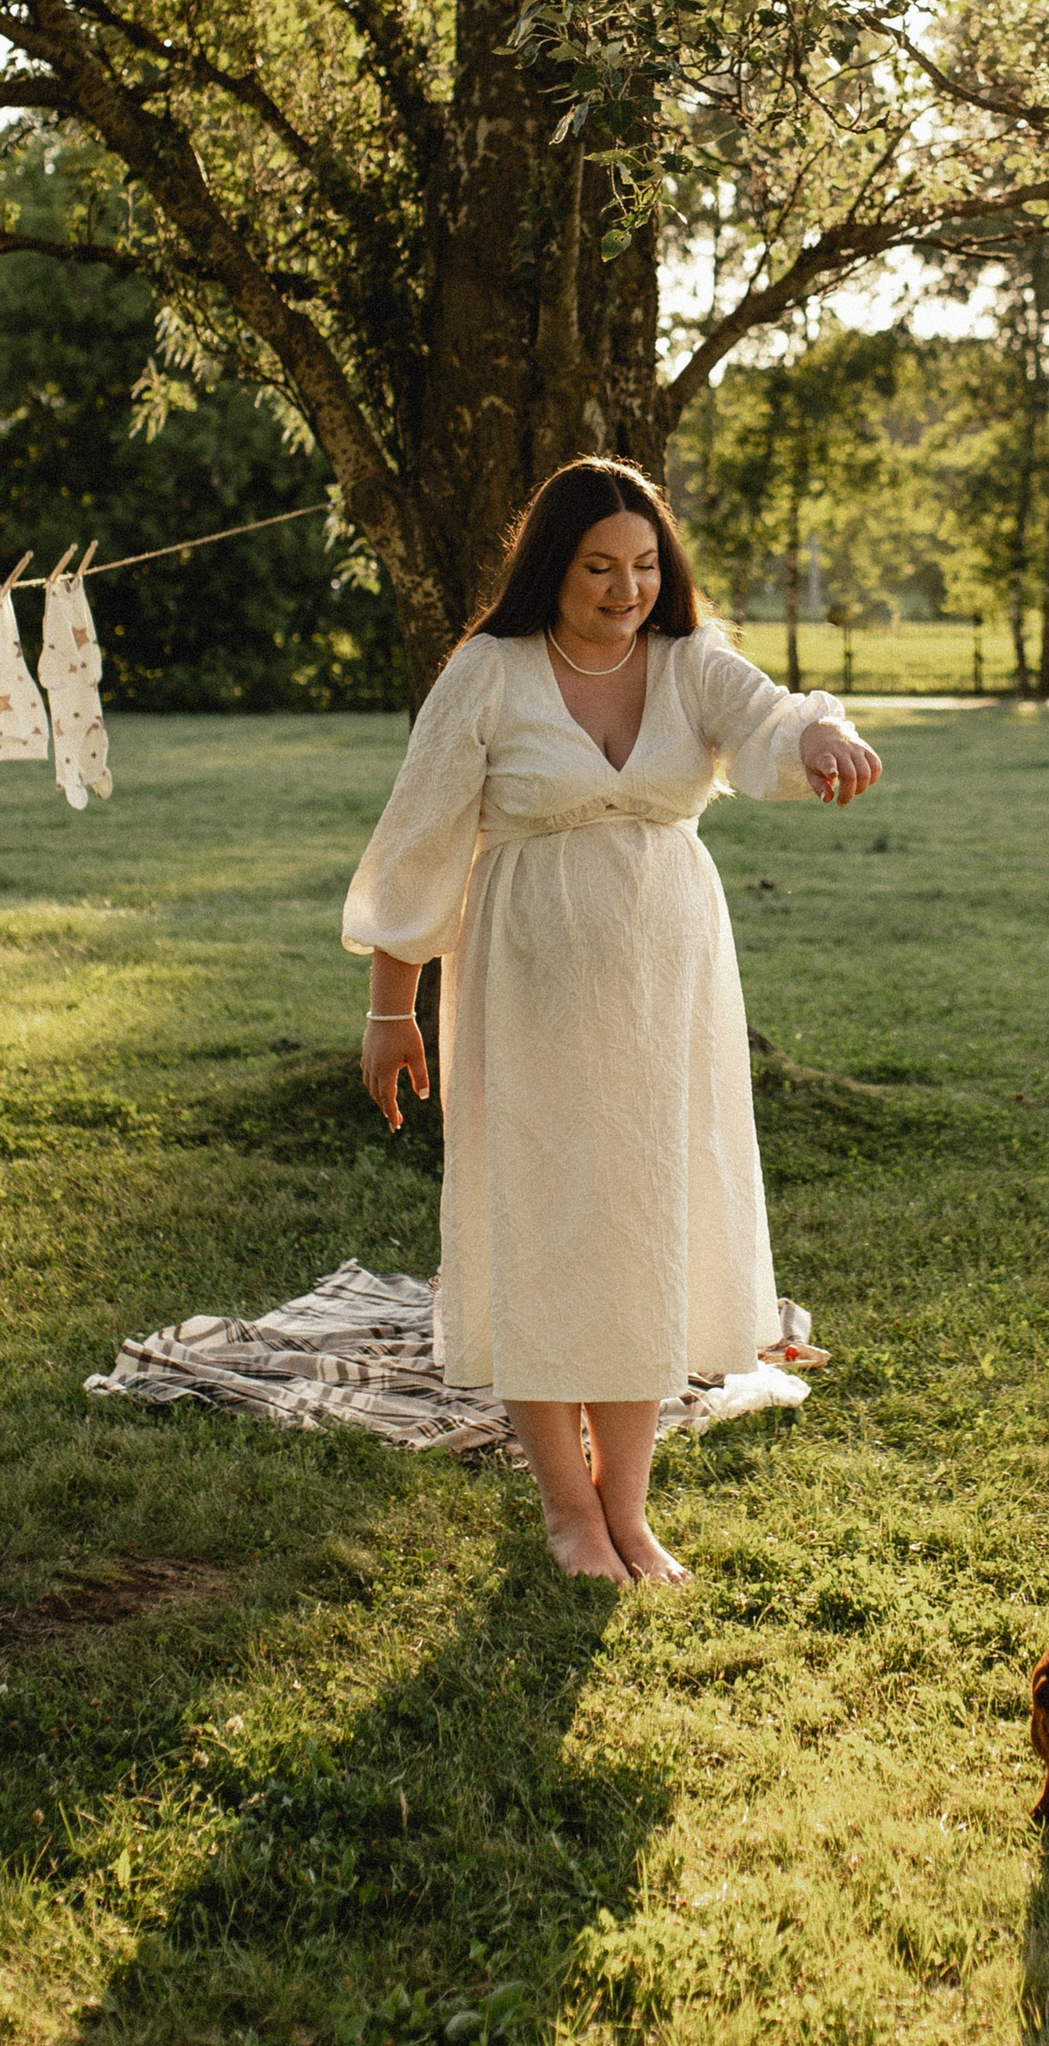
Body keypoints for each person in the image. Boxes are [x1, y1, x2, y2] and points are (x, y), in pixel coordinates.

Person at [346, 460, 881, 1586]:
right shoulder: (489, 672)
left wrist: (820, 737)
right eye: (598, 566)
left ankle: (628, 1510)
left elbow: (769, 713)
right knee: (543, 1225)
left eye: (644, 565)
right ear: (553, 563)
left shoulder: (689, 664)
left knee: (643, 1226)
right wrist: (394, 1008)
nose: (624, 588)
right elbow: (418, 842)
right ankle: (566, 1513)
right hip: (524, 987)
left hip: (667, 994)